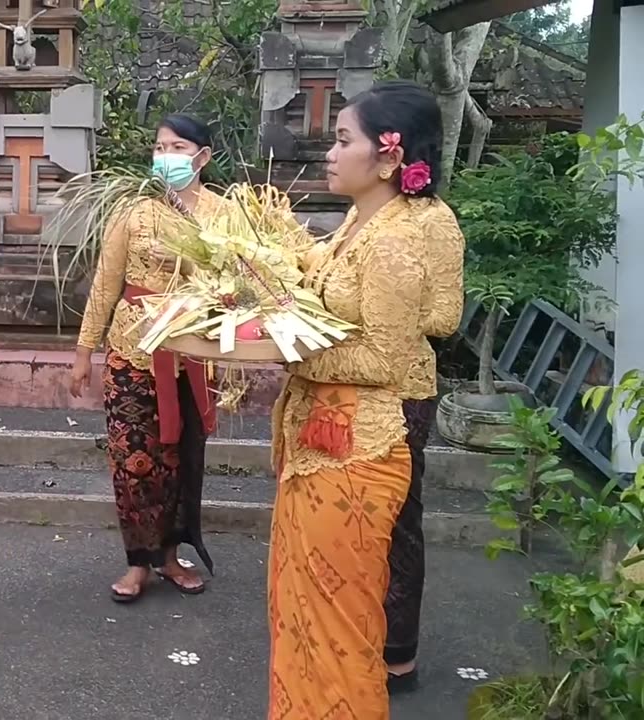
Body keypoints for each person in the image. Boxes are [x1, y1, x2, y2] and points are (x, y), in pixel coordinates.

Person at [266, 80, 441, 720]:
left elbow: (385, 359)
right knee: (301, 611)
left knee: (338, 625)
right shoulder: (354, 225)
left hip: (357, 451)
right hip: (317, 441)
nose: (331, 154)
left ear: (389, 156)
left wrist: (289, 349)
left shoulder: (397, 241)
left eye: (344, 140)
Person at [69, 114, 229, 603]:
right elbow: (105, 283)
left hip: (194, 352)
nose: (165, 156)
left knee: (184, 459)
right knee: (134, 460)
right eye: (160, 147)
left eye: (177, 147)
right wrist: (83, 351)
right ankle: (137, 561)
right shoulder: (133, 212)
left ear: (202, 157)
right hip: (133, 351)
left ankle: (171, 555)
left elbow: (244, 278)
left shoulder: (225, 216)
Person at [384, 156, 465, 692]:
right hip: (351, 387)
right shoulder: (369, 212)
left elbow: (445, 316)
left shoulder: (434, 219)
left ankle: (399, 650)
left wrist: (384, 307)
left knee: (398, 517)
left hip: (405, 387)